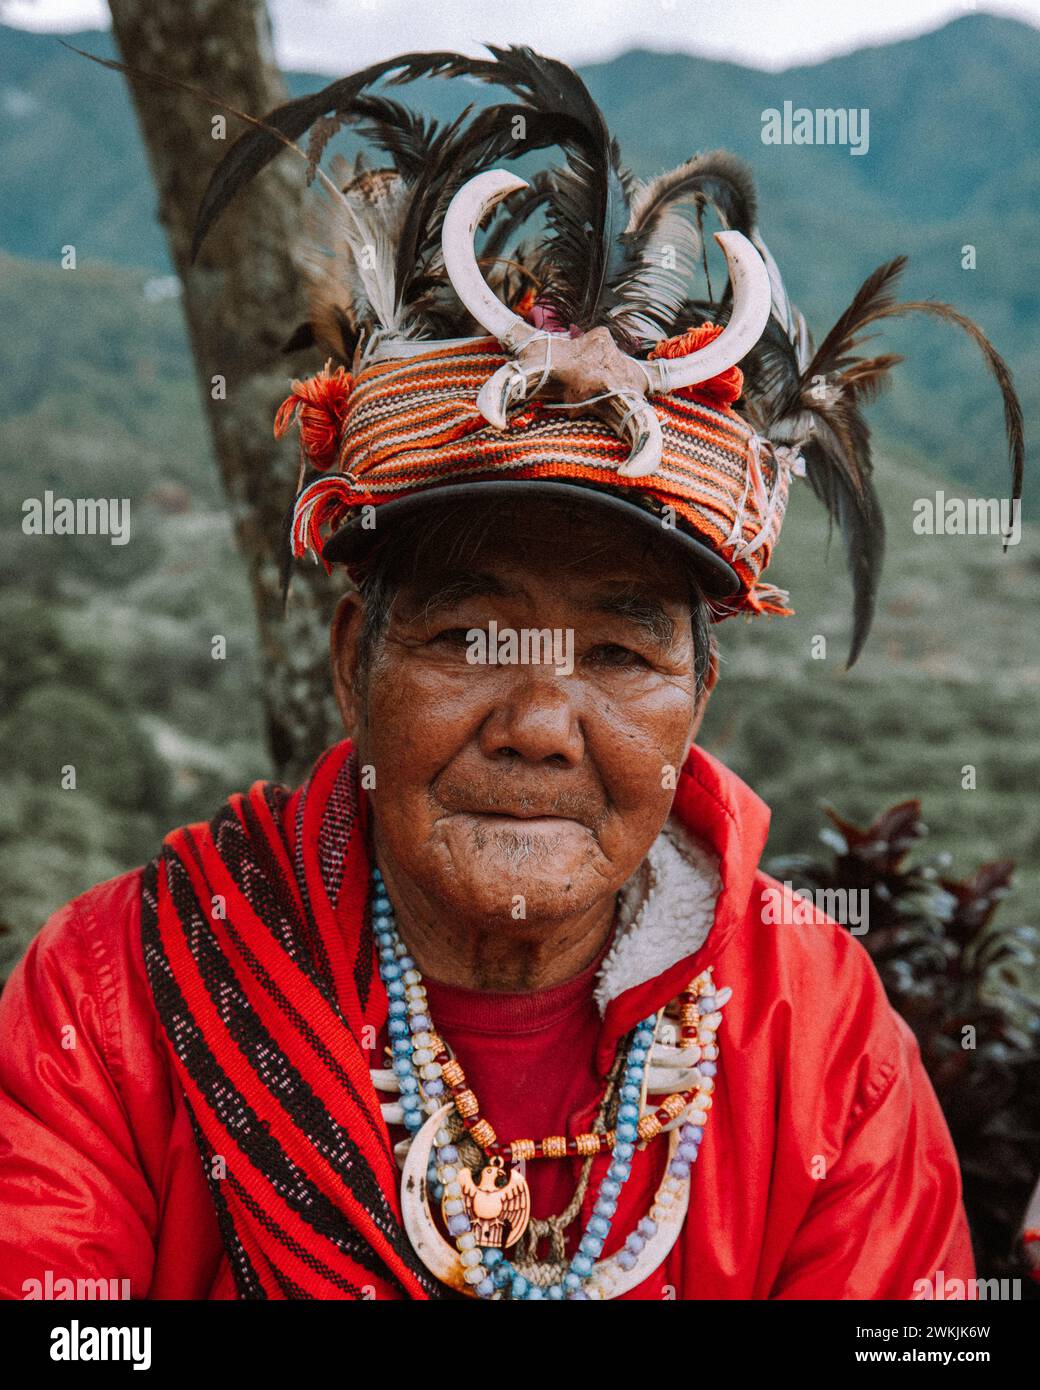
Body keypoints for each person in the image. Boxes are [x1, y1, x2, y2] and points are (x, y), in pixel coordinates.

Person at [0, 46, 1022, 1301]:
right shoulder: (125, 994)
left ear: (697, 698)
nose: (540, 723)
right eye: (472, 637)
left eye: (618, 650)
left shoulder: (816, 1035)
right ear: (347, 663)